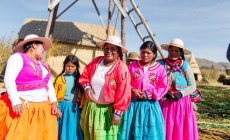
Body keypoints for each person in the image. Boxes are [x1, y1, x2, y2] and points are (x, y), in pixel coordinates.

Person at [0, 34, 58, 140]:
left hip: (42, 109)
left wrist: (54, 103)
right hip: (23, 107)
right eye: (42, 47)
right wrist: (15, 101)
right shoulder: (18, 58)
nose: (44, 50)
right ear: (34, 45)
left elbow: (48, 85)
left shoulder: (43, 65)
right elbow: (9, 79)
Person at [79, 35, 131, 140]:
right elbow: (85, 75)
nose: (109, 51)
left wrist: (118, 113)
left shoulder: (122, 69)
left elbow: (124, 92)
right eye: (107, 48)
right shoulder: (96, 61)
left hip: (107, 111)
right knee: (89, 135)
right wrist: (87, 87)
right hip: (91, 107)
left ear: (119, 52)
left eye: (113, 49)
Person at [118, 41, 168, 140]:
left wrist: (148, 94)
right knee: (130, 132)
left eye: (148, 53)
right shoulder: (132, 66)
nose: (144, 55)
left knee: (148, 133)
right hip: (133, 106)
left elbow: (163, 86)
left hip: (150, 106)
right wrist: (132, 90)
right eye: (142, 52)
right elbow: (125, 81)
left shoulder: (159, 69)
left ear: (154, 54)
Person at [158, 38, 199, 140]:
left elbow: (192, 85)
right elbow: (154, 81)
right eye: (171, 50)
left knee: (179, 127)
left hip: (181, 103)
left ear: (180, 52)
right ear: (168, 51)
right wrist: (164, 91)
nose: (173, 53)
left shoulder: (185, 65)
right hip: (164, 101)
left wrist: (181, 93)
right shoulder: (160, 64)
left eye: (176, 50)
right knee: (164, 126)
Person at [54, 55, 85, 140]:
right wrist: (57, 107)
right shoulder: (60, 79)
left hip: (75, 109)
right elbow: (54, 94)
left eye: (73, 66)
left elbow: (84, 96)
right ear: (64, 66)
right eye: (68, 66)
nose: (70, 68)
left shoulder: (80, 79)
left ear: (76, 67)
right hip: (63, 107)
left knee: (74, 130)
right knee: (62, 130)